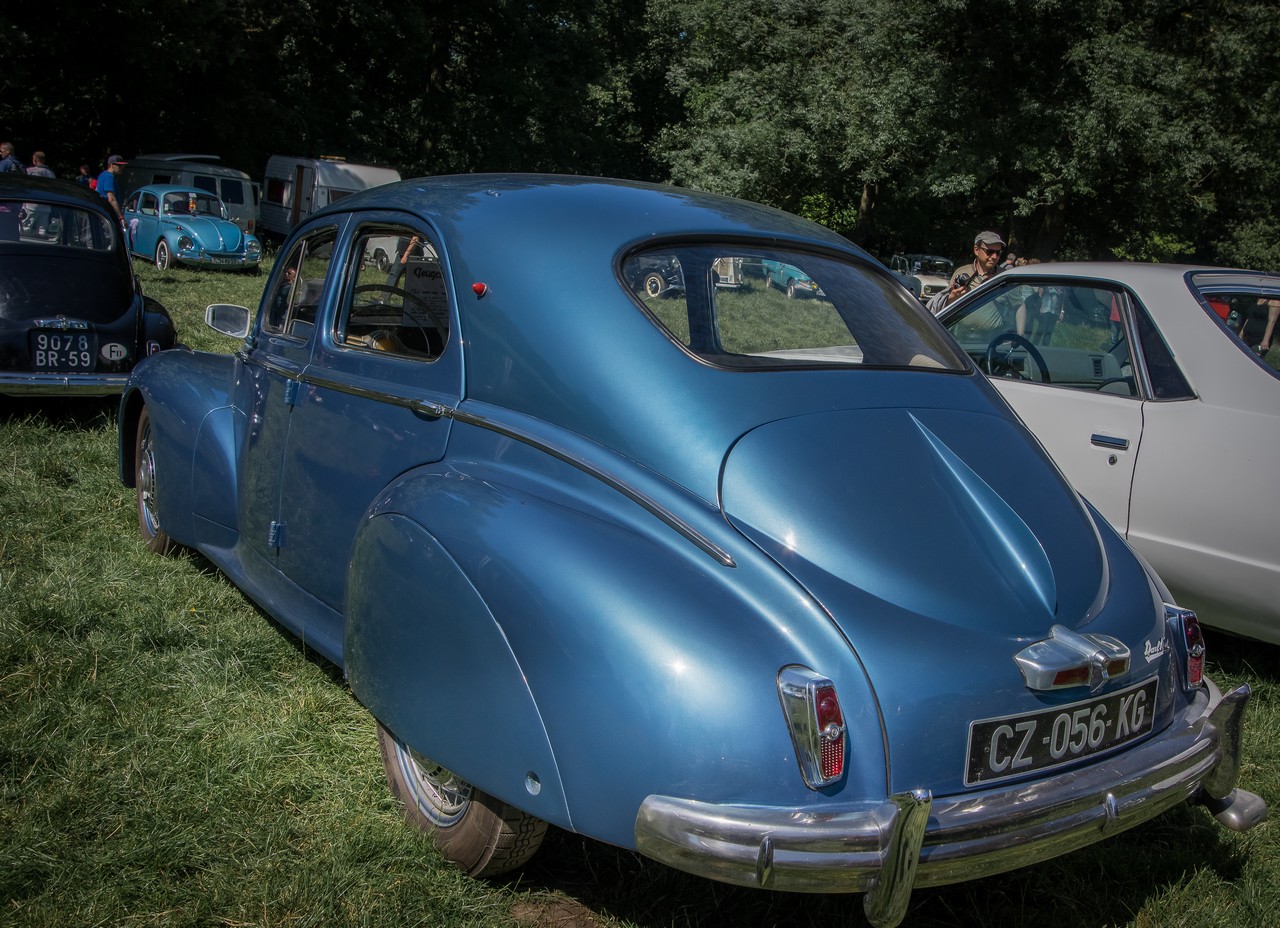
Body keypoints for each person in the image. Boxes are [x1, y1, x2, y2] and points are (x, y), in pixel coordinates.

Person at [928, 230, 1005, 313]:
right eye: (990, 252)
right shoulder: (961, 272)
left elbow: (1018, 306)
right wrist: (951, 298)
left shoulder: (1005, 276)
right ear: (976, 250)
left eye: (998, 252)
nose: (994, 256)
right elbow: (947, 308)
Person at [96, 155, 127, 222]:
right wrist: (121, 218)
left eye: (122, 165)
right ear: (112, 165)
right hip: (107, 213)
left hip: (101, 212)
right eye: (119, 166)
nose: (122, 168)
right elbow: (111, 199)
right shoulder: (109, 177)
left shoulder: (103, 174)